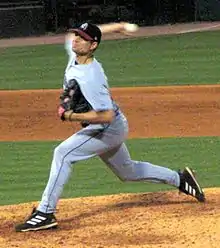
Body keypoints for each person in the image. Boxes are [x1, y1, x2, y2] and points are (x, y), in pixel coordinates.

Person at [15, 22, 205, 232]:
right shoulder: (76, 53)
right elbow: (75, 38)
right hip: (113, 126)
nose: (75, 40)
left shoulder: (92, 77)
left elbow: (106, 115)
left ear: (93, 46)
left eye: (82, 38)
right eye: (77, 35)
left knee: (63, 153)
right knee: (128, 171)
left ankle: (45, 213)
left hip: (107, 128)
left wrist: (70, 115)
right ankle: (181, 179)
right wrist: (118, 26)